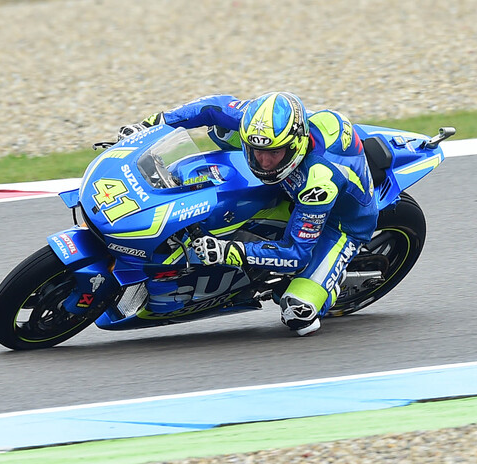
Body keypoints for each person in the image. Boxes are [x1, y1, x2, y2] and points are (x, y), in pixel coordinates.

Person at [119, 92, 378, 335]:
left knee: (297, 313)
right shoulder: (262, 126)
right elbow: (211, 108)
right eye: (258, 151)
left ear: (295, 145)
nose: (263, 162)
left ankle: (333, 281)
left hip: (341, 223)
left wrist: (227, 251)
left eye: (273, 153)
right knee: (221, 129)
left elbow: (295, 254)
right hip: (291, 186)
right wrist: (151, 126)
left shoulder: (318, 184)